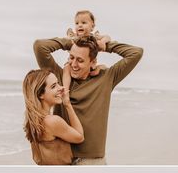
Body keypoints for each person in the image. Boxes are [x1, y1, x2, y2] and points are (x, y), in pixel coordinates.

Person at [33, 20, 143, 165]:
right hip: (62, 160)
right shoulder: (59, 78)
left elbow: (136, 53)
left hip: (93, 162)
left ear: (92, 62)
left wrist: (104, 46)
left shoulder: (106, 78)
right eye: (71, 58)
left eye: (80, 60)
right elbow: (40, 47)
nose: (73, 64)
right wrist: (71, 42)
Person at [23, 69, 84, 165]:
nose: (61, 88)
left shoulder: (32, 121)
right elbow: (80, 137)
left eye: (58, 83)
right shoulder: (52, 121)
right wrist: (67, 104)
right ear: (40, 94)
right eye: (53, 86)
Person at [63, 10, 111, 90]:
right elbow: (65, 41)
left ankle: (90, 83)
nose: (80, 25)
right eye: (77, 23)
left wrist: (102, 42)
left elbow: (107, 37)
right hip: (73, 64)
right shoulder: (74, 38)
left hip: (90, 65)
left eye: (84, 23)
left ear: (92, 26)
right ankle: (66, 90)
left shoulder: (94, 38)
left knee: (103, 67)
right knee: (66, 68)